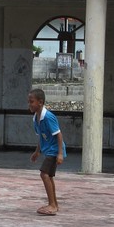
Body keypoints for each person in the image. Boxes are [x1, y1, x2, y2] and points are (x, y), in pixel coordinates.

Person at [28, 88, 66, 216]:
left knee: (44, 174)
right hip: (48, 150)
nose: (30, 104)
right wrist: (37, 151)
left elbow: (59, 135)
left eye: (31, 101)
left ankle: (52, 205)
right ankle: (54, 203)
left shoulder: (48, 117)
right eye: (29, 102)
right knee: (48, 176)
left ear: (40, 102)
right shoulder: (35, 118)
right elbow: (41, 136)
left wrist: (60, 153)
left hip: (54, 150)